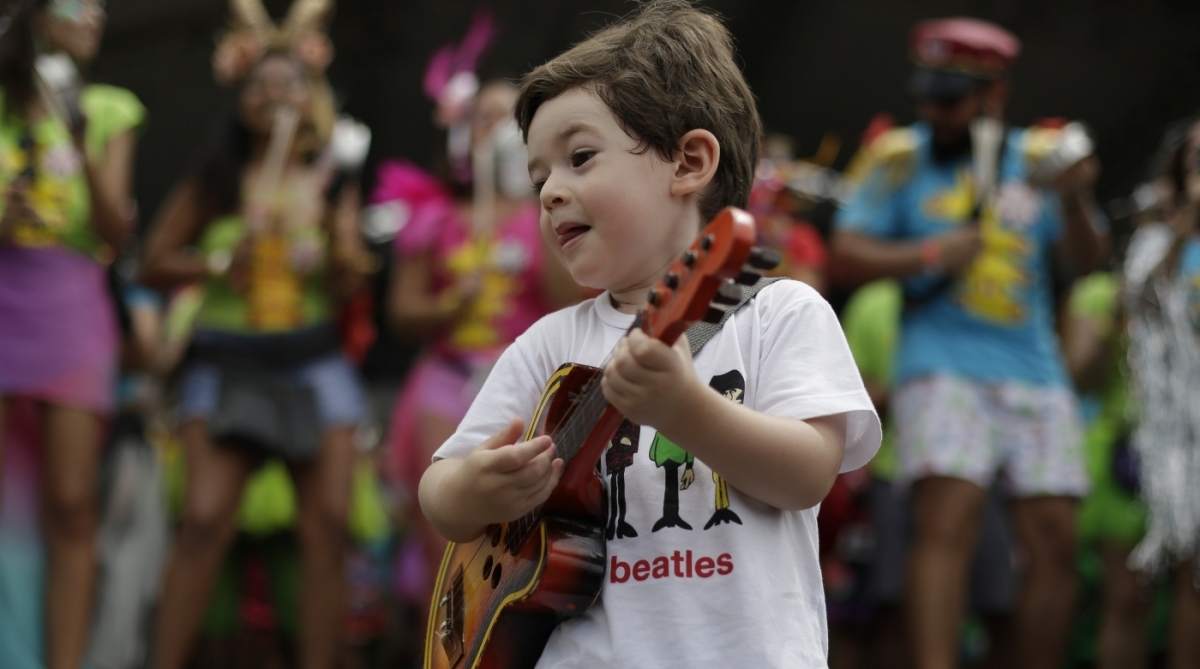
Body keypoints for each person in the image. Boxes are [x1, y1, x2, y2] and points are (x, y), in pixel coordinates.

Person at [418, 2, 881, 667]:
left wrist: (685, 410)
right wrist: (473, 491)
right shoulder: (548, 344)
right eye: (539, 177)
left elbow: (808, 473)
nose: (548, 193)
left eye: (580, 157)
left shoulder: (781, 314)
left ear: (688, 162)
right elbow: (439, 490)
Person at [831, 17, 1109, 669]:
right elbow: (844, 249)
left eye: (950, 100)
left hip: (1035, 369)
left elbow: (1090, 259)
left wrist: (1075, 198)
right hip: (940, 364)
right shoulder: (898, 156)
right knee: (946, 524)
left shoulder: (1039, 161)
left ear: (995, 94)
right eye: (927, 97)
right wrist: (928, 254)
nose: (934, 112)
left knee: (1055, 540)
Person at [139, 1, 372, 667]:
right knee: (204, 522)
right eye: (259, 85)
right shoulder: (218, 177)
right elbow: (153, 262)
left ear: (310, 96)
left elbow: (349, 284)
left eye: (288, 83)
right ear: (240, 101)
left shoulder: (332, 178)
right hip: (228, 362)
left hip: (312, 360)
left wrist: (340, 249)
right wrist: (219, 261)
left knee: (327, 530)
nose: (274, 95)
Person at [375, 12, 581, 621]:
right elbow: (401, 312)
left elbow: (572, 299)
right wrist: (450, 304)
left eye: (507, 118)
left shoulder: (548, 211)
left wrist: (542, 213)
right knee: (444, 547)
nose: (494, 128)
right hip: (446, 381)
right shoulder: (435, 219)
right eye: (482, 116)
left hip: (528, 388)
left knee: (526, 543)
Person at [0, 0, 143, 667]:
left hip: (70, 308)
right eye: (77, 1)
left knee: (71, 501)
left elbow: (114, 231)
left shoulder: (110, 108)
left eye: (100, 6)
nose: (94, 16)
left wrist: (77, 130)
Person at [1121, 117, 1200, 669]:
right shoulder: (1156, 243)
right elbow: (1140, 302)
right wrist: (1187, 225)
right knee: (1192, 572)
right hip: (1186, 443)